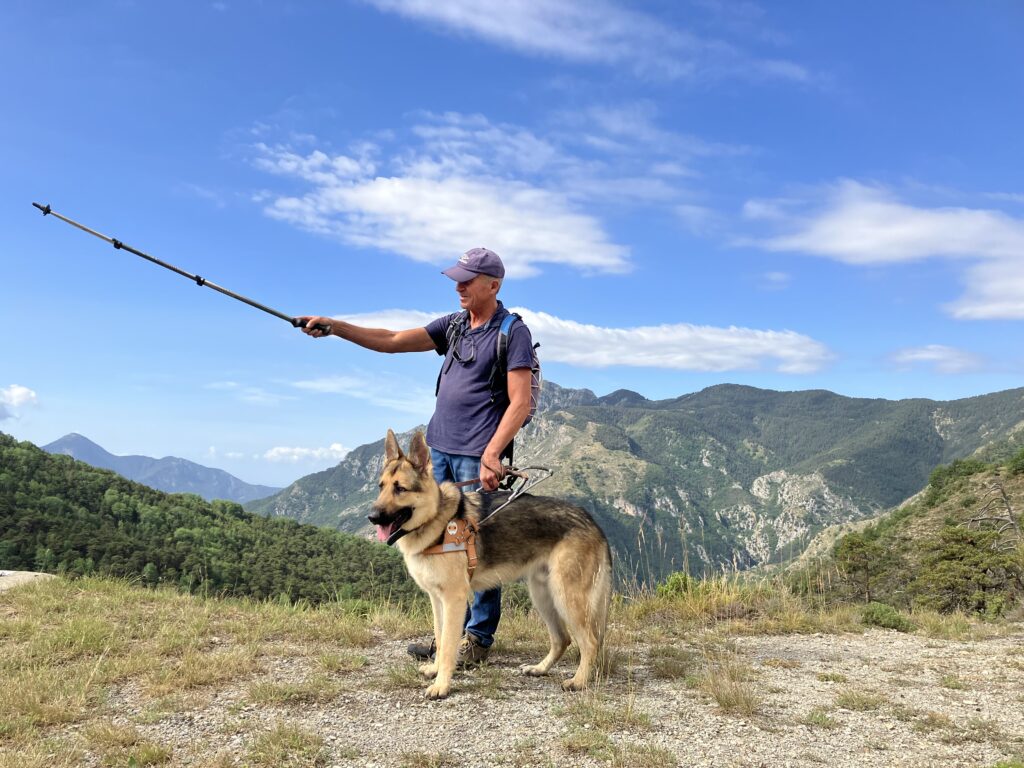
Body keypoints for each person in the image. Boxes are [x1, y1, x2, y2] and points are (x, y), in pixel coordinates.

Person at [297, 247, 535, 666]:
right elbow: (391, 341)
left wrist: (493, 453)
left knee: (475, 549)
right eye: (456, 279)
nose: (458, 286)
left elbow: (520, 402)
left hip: (476, 456)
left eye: (467, 280)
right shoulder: (456, 326)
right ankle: (449, 639)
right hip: (436, 456)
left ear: (493, 285)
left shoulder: (510, 331)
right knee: (435, 546)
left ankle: (476, 640)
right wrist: (335, 327)